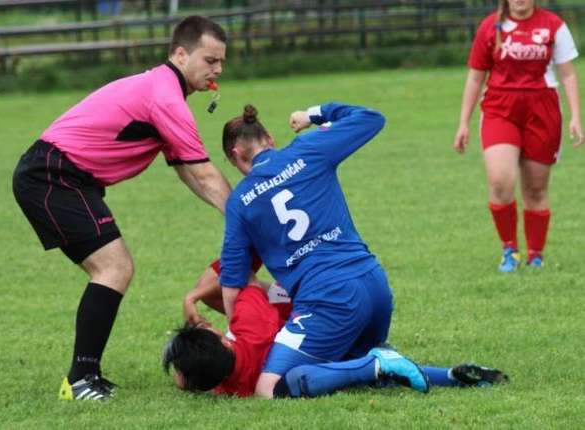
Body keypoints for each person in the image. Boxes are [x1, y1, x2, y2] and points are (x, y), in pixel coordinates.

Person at [12, 16, 231, 401]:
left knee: (114, 268)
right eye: (210, 60)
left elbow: (188, 170)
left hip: (62, 176)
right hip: (53, 176)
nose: (218, 70)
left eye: (221, 62)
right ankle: (80, 380)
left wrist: (235, 214)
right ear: (181, 55)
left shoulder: (163, 90)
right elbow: (204, 173)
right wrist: (246, 216)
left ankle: (86, 376)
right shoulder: (165, 97)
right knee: (113, 268)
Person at [217, 102, 433, 399]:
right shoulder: (307, 149)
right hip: (375, 286)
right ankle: (450, 375)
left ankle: (376, 362)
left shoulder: (240, 201)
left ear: (236, 155)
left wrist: (239, 336)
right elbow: (371, 118)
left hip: (328, 301)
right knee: (342, 372)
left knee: (268, 388)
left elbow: (232, 282)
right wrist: (312, 115)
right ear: (270, 139)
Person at [162, 259, 508, 397]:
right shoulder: (248, 323)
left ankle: (401, 369)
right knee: (294, 381)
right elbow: (236, 269)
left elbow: (186, 380)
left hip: (324, 335)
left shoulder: (227, 387)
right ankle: (449, 375)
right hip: (329, 318)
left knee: (298, 382)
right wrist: (193, 297)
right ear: (222, 340)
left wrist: (190, 367)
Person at [453, 0, 583, 272]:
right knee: (500, 182)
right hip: (500, 108)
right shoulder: (490, 27)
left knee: (535, 188)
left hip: (542, 110)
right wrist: (463, 122)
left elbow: (568, 74)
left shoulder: (553, 25)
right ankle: (509, 250)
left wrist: (575, 116)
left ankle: (536, 254)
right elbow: (475, 77)